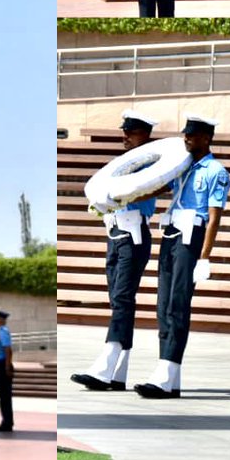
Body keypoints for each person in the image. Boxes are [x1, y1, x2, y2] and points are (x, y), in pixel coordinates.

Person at [134, 115, 230, 399]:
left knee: (177, 304)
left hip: (192, 236)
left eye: (192, 135)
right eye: (185, 135)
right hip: (172, 233)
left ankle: (166, 372)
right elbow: (158, 189)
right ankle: (169, 376)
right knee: (163, 304)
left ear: (206, 138)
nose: (186, 139)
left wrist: (205, 257)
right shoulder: (181, 167)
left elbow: (214, 218)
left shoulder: (216, 171)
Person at [71, 110, 158, 391]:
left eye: (130, 132)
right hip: (115, 234)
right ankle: (119, 374)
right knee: (118, 301)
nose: (125, 137)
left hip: (133, 234)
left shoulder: (152, 165)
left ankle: (104, 367)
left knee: (122, 299)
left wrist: (121, 197)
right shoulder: (121, 164)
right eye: (124, 131)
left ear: (144, 134)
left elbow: (154, 189)